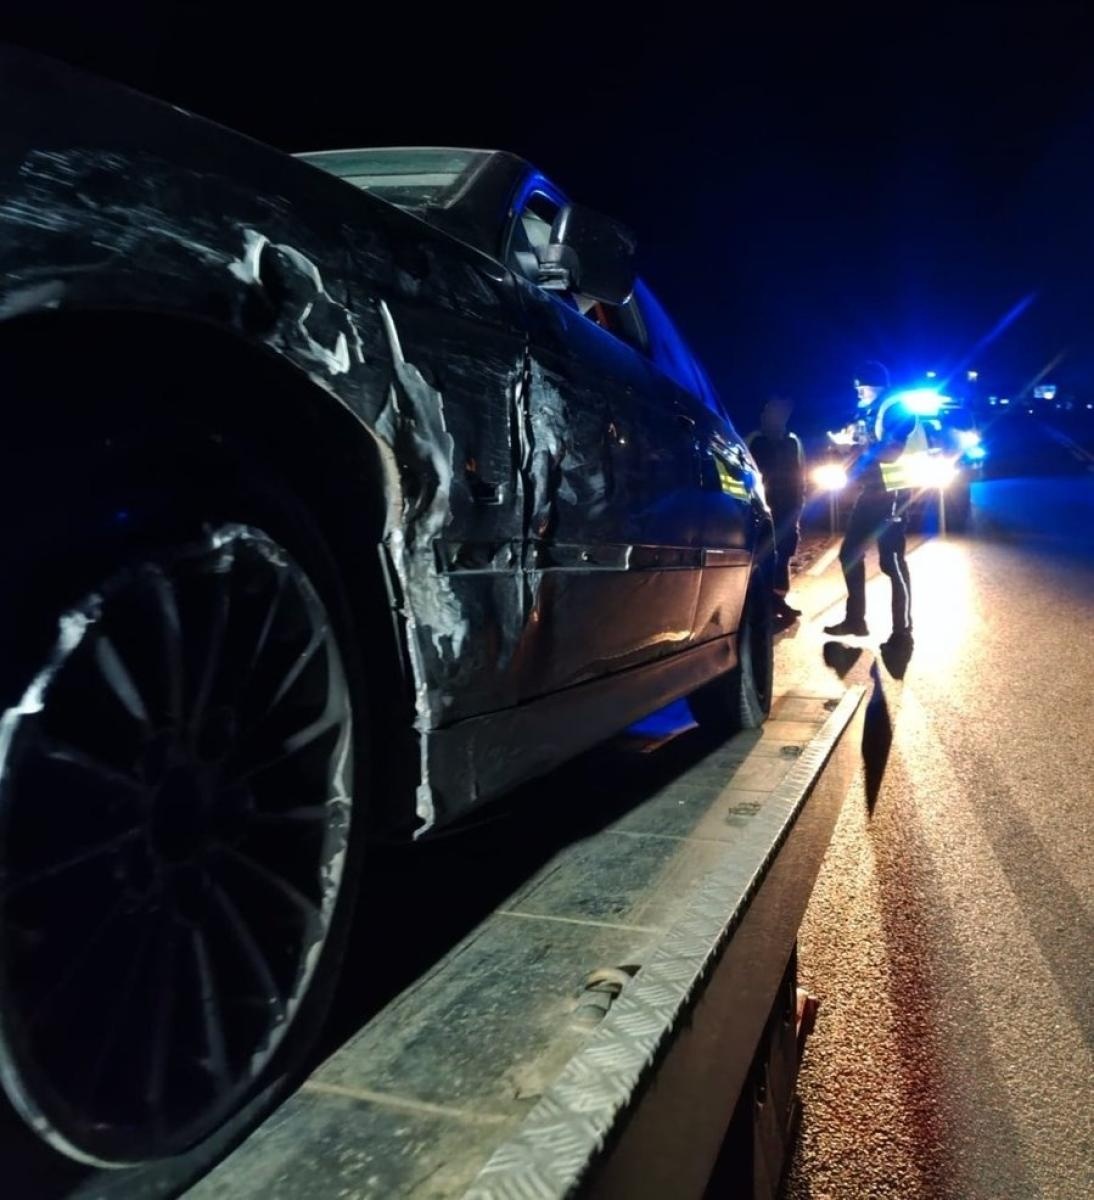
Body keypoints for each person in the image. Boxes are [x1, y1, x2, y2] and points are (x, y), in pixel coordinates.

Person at [823, 361, 915, 648]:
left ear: (878, 385)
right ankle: (855, 620)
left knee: (892, 561)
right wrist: (843, 446)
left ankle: (902, 630)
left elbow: (891, 452)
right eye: (857, 387)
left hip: (894, 491)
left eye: (863, 387)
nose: (858, 392)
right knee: (850, 552)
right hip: (872, 490)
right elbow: (866, 445)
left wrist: (855, 448)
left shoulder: (896, 408)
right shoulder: (868, 411)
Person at [747, 395, 806, 625]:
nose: (774, 417)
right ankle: (759, 603)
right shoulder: (753, 441)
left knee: (784, 556)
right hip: (762, 511)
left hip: (788, 509)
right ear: (763, 415)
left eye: (780, 413)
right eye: (771, 412)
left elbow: (801, 473)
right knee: (762, 557)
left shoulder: (793, 441)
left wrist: (799, 504)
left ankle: (778, 601)